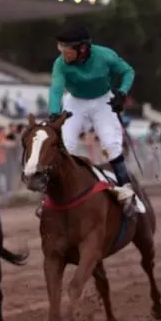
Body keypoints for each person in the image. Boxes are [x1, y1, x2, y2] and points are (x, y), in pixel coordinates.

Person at [48, 22, 138, 216]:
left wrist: (122, 93)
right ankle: (51, 198)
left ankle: (127, 193)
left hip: (102, 101)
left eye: (66, 50)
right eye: (60, 49)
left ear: (82, 48)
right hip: (74, 102)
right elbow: (56, 89)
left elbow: (128, 71)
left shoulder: (105, 55)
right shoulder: (60, 64)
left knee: (111, 145)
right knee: (65, 146)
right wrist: (54, 112)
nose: (63, 55)